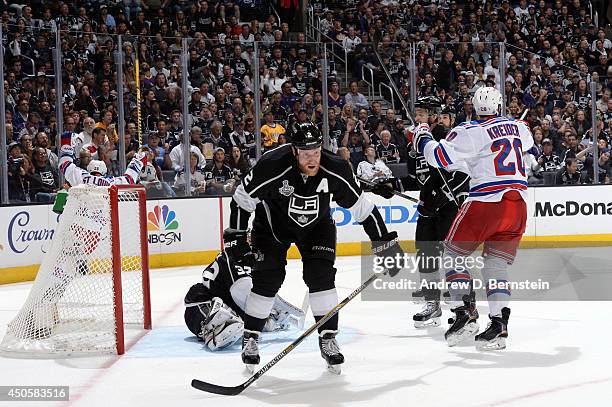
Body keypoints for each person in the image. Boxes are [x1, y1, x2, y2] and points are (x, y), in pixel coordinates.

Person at [229, 123, 404, 373]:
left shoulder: (336, 168)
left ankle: (328, 338)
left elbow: (363, 209)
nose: (312, 158)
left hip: (316, 227)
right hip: (271, 228)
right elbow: (241, 200)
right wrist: (236, 238)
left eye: (316, 151)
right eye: (305, 152)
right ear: (293, 151)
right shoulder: (271, 164)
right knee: (268, 279)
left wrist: (385, 243)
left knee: (321, 277)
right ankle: (251, 337)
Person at [413, 86, 534, 350]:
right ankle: (499, 325)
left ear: (474, 107)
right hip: (518, 205)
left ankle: (463, 312)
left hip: (486, 202)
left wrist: (422, 136)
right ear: (500, 105)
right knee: (496, 266)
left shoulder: (469, 130)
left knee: (452, 257)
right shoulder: (518, 127)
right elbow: (529, 147)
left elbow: (439, 157)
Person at [389, 97, 470, 328]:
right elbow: (418, 177)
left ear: (434, 116)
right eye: (418, 113)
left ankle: (462, 306)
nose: (418, 117)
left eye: (423, 113)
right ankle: (432, 304)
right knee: (426, 254)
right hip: (427, 208)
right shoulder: (415, 143)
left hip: (449, 207)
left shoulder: (450, 137)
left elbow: (462, 175)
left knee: (452, 257)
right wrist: (393, 186)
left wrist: (439, 198)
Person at [184, 229, 304, 351]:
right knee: (223, 314)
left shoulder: (246, 261)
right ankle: (211, 331)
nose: (252, 241)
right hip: (199, 308)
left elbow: (250, 296)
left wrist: (269, 315)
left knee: (246, 321)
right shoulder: (232, 258)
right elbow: (241, 291)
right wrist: (268, 310)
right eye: (248, 238)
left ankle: (220, 325)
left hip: (224, 305)